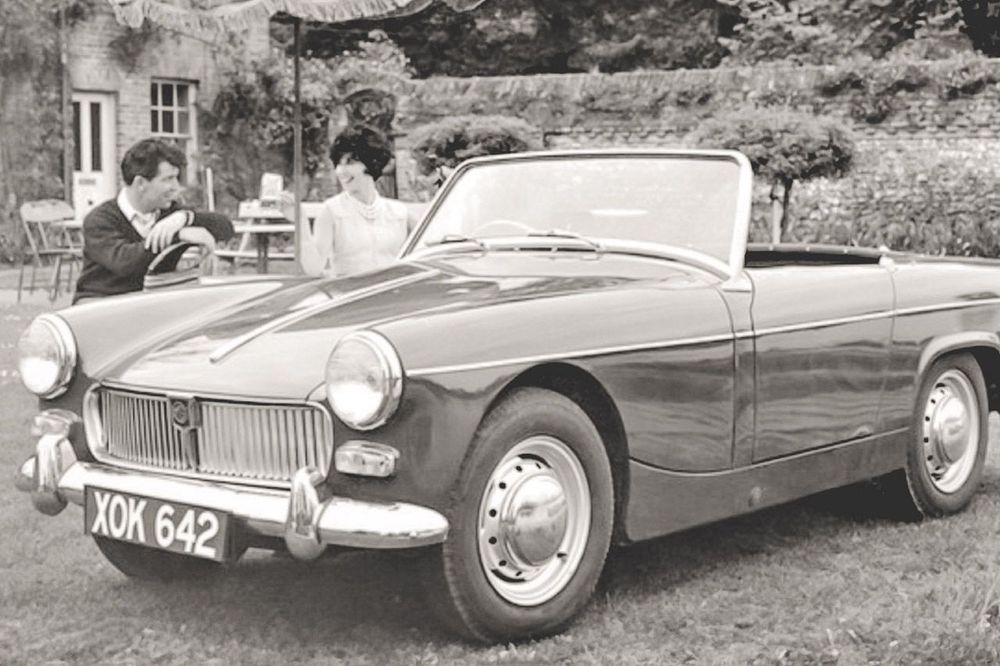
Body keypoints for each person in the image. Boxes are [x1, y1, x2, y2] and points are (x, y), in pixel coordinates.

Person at [74, 138, 233, 303]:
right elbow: (125, 263)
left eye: (176, 178)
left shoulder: (170, 213)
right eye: (168, 179)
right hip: (99, 306)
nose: (176, 187)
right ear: (140, 183)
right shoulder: (99, 220)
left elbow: (226, 228)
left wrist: (185, 218)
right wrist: (179, 235)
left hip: (150, 305)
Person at [310, 127, 419, 277]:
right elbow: (314, 268)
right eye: (338, 163)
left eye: (350, 162)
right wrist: (301, 222)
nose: (341, 171)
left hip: (394, 289)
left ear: (371, 162)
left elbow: (430, 250)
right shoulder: (331, 211)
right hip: (351, 291)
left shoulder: (400, 213)